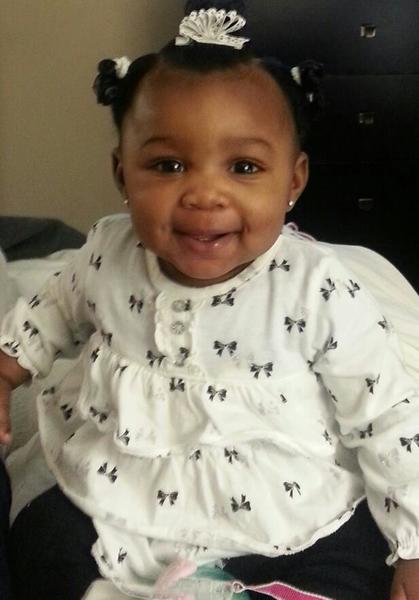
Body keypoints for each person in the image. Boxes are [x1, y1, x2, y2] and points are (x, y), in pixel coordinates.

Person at [0, 1, 419, 598]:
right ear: (122, 174)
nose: (204, 194)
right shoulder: (105, 254)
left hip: (282, 505)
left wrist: (414, 545)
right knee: (41, 537)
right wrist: (6, 372)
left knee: (357, 559)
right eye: (168, 164)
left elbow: (388, 417)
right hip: (126, 489)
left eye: (243, 166)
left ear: (293, 181)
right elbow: (47, 318)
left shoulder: (316, 286)